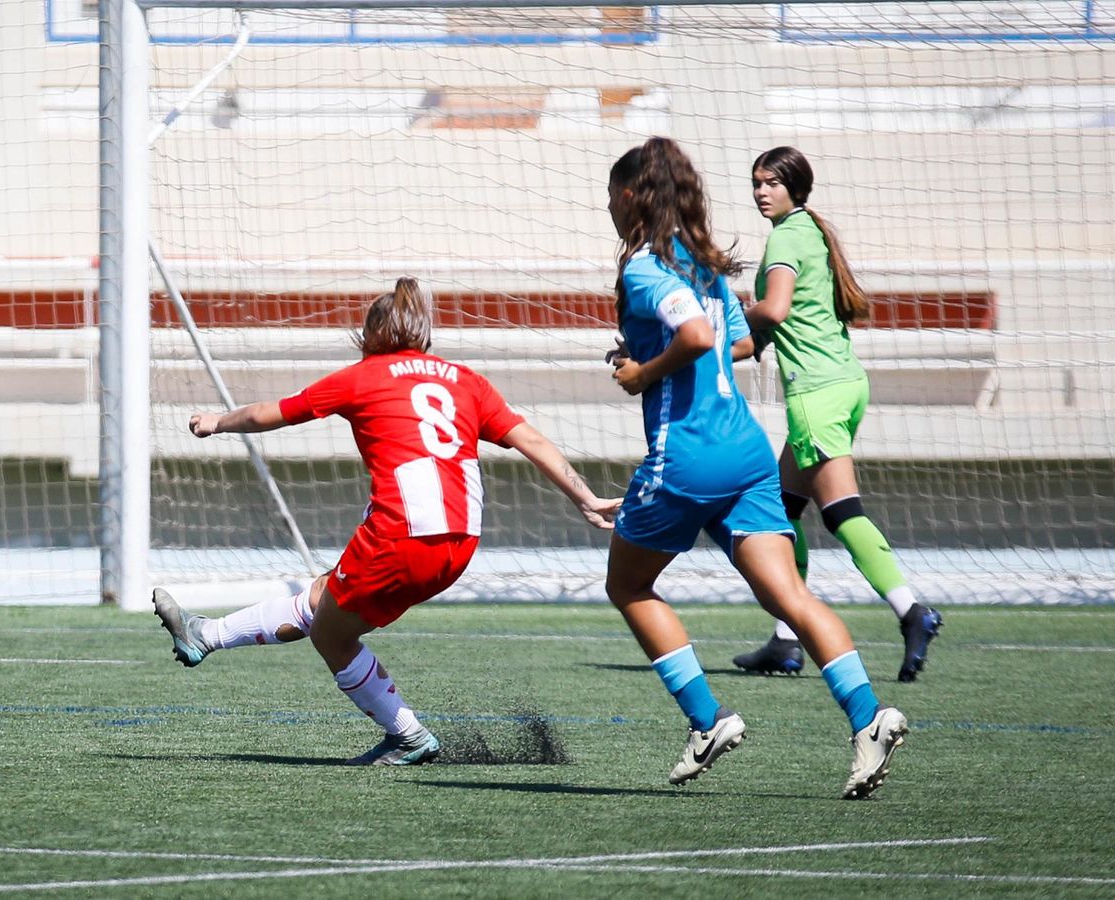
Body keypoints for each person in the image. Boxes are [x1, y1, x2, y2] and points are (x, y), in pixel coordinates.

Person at [151, 276, 620, 766]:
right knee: (322, 597)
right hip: (460, 540)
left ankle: (409, 736)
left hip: (401, 533)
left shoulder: (365, 376)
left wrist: (216, 422)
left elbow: (274, 413)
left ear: (370, 335)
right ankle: (205, 636)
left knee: (332, 634)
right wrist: (584, 497)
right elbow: (535, 441)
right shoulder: (467, 382)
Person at [604, 137, 906, 799]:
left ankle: (708, 720)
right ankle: (869, 716)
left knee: (627, 585)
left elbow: (697, 338)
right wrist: (646, 354)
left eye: (610, 195)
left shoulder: (644, 268)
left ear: (629, 197)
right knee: (789, 596)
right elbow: (712, 334)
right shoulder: (704, 265)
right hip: (744, 449)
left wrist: (640, 374)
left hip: (685, 456)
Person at [733, 146, 942, 682]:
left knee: (841, 513)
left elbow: (772, 311)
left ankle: (911, 611)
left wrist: (725, 312)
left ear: (795, 188)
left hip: (818, 395)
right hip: (845, 385)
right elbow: (764, 334)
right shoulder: (810, 233)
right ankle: (785, 640)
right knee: (780, 511)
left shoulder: (785, 237)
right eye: (756, 182)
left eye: (771, 183)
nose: (761, 191)